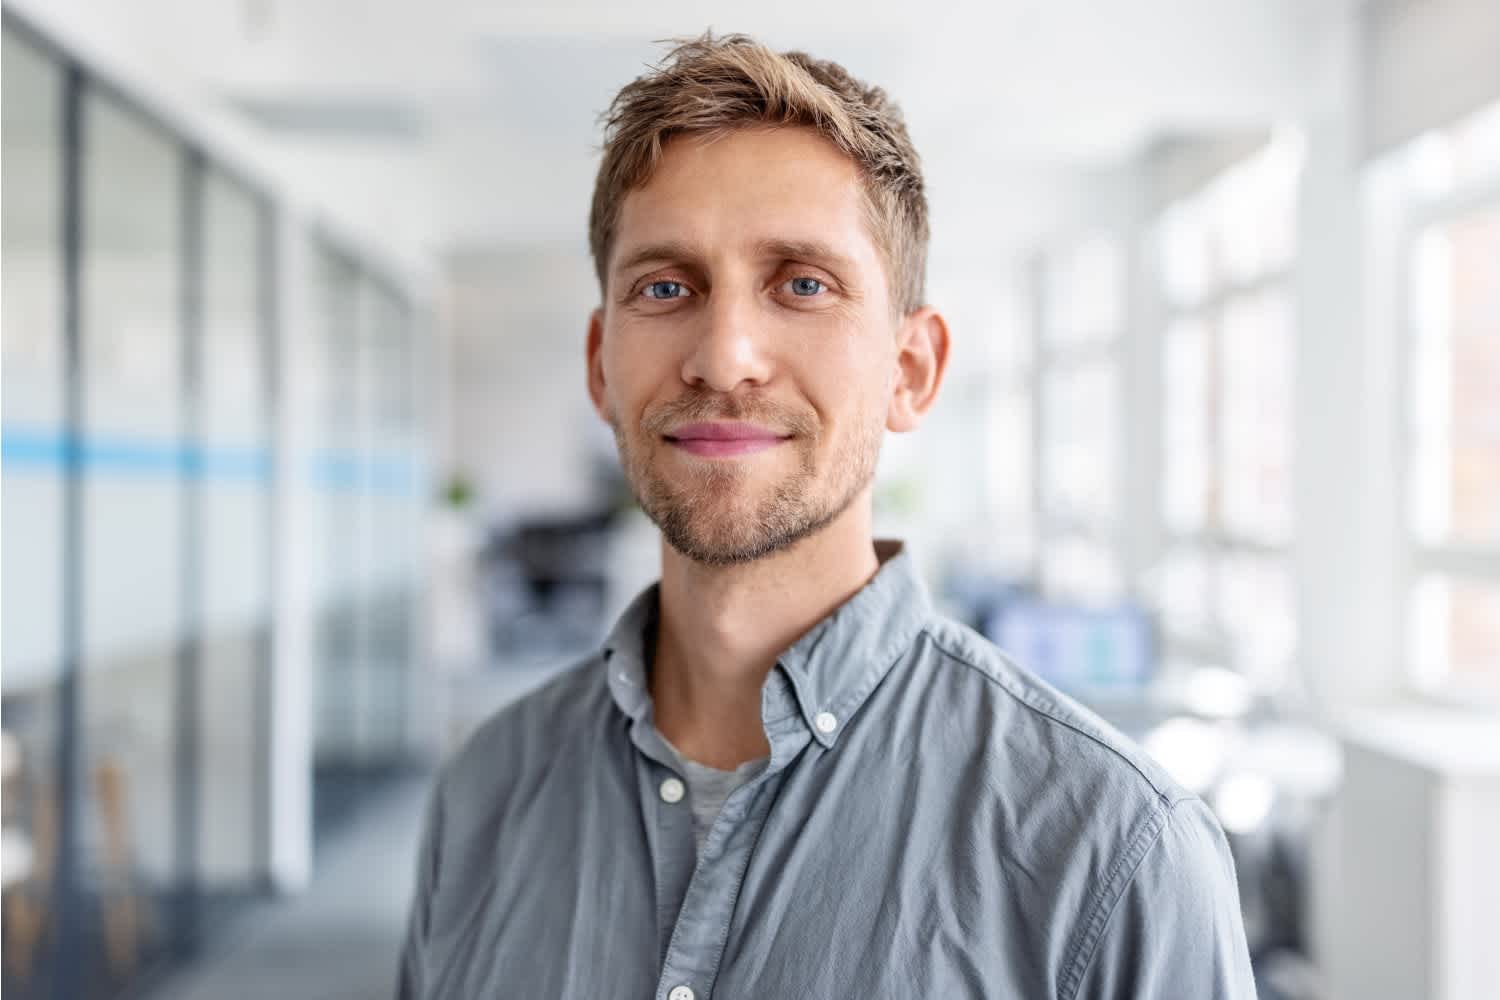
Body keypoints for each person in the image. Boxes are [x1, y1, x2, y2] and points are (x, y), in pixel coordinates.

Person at [398, 32, 1256, 1000]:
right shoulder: (486, 792)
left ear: (911, 370)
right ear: (602, 366)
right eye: (666, 287)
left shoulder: (1116, 852)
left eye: (803, 284)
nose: (724, 357)